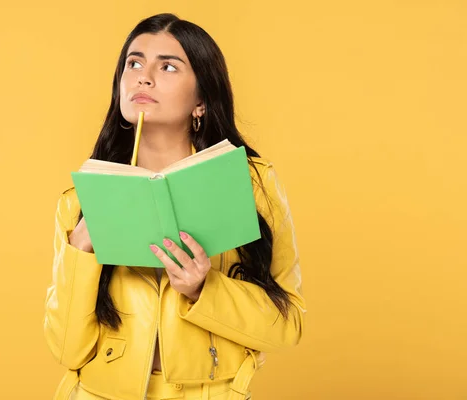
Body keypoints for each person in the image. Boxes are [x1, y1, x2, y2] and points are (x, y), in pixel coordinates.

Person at [43, 13, 306, 400]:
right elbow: (67, 350)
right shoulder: (80, 201)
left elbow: (288, 325)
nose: (143, 77)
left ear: (201, 99)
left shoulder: (250, 184)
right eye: (134, 63)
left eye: (167, 66)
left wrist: (205, 289)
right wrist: (79, 253)